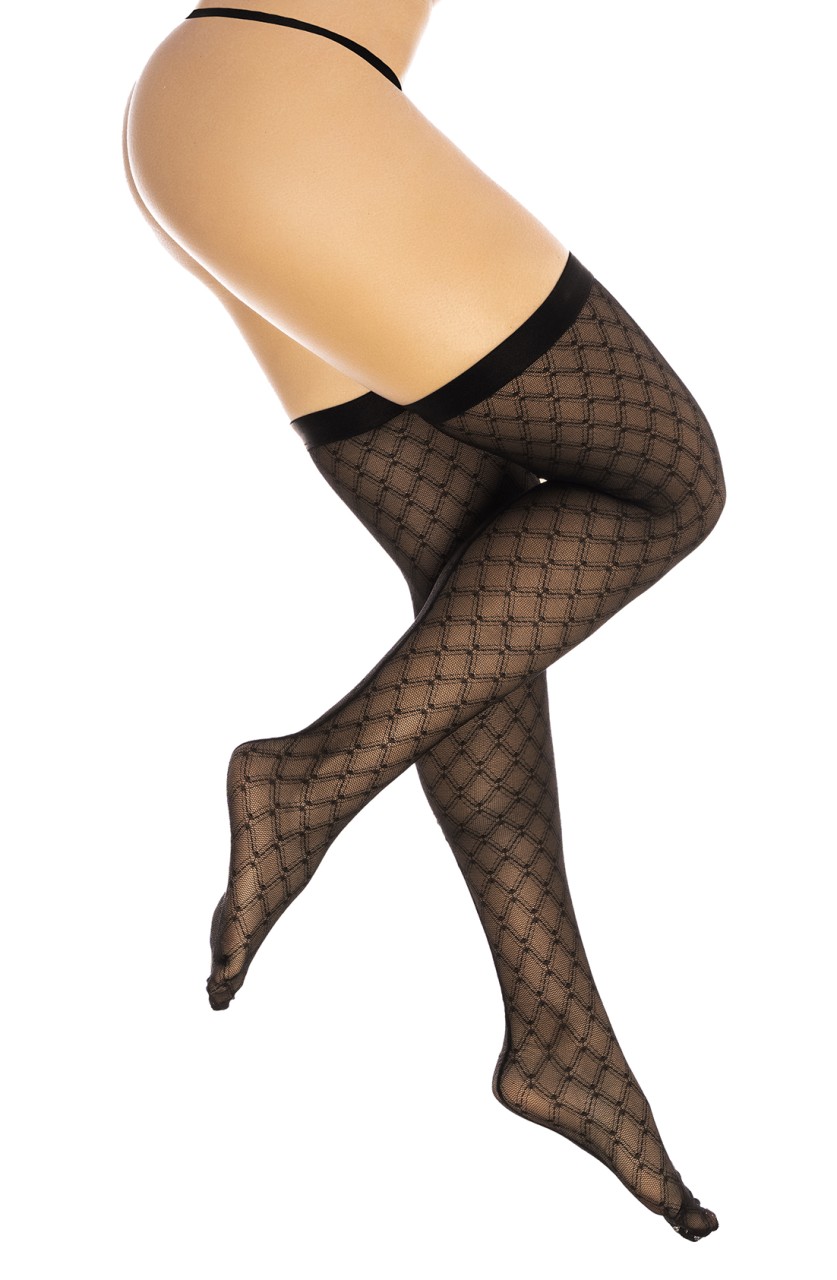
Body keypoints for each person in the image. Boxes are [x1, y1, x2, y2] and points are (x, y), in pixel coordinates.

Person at [123, 0, 725, 1241]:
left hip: (234, 111)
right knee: (666, 483)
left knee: (480, 582)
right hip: (289, 103)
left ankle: (557, 1033)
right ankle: (308, 779)